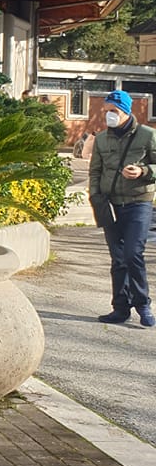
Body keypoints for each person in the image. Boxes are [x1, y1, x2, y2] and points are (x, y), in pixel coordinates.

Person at [89, 89, 155, 327]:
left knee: (132, 254)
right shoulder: (101, 139)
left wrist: (144, 171)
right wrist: (95, 197)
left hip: (139, 203)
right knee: (118, 259)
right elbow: (95, 171)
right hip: (111, 203)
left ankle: (143, 305)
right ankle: (120, 307)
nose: (109, 116)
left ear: (126, 112)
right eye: (106, 111)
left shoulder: (147, 135)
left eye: (113, 111)